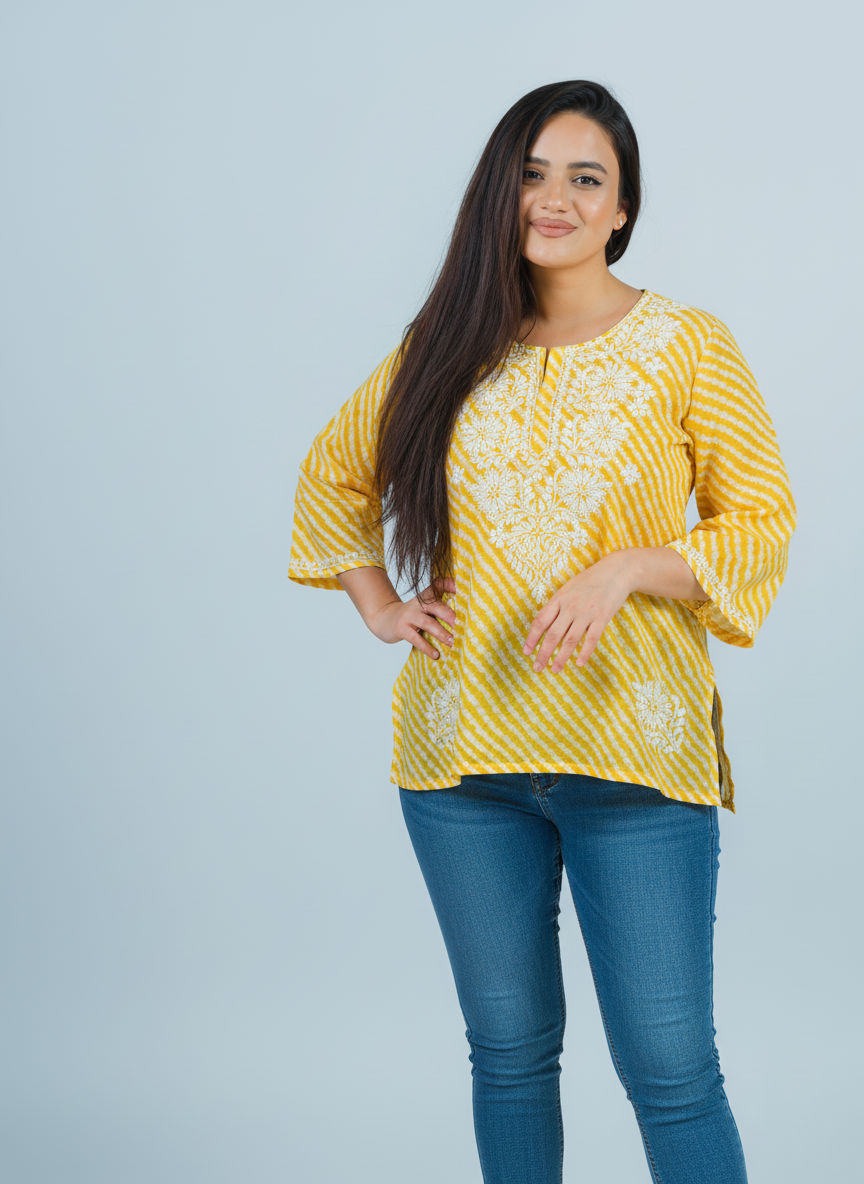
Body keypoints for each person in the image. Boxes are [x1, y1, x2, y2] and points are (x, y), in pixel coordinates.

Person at [288, 80, 796, 1184]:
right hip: (465, 761)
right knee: (510, 1055)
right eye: (530, 172)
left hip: (636, 760)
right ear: (498, 192)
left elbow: (761, 517)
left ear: (623, 208)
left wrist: (628, 568)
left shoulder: (686, 345)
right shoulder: (448, 342)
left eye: (585, 177)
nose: (552, 198)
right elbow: (335, 474)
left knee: (671, 1068)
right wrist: (379, 601)